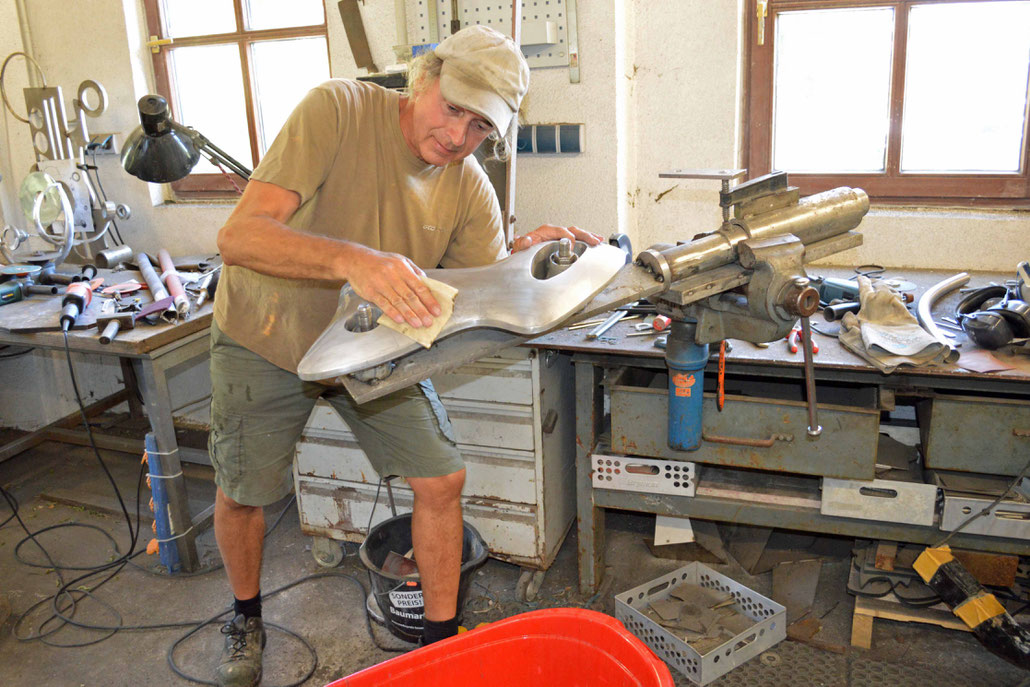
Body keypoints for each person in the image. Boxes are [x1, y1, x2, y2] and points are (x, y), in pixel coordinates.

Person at [207, 24, 602, 687]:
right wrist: (349, 258)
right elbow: (238, 235)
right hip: (266, 330)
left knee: (441, 477)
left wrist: (536, 259)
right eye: (453, 109)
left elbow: (481, 287)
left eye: (479, 127)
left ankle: (440, 650)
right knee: (245, 490)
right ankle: (245, 614)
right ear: (424, 79)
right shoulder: (336, 110)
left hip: (370, 346)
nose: (458, 137)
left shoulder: (468, 184)